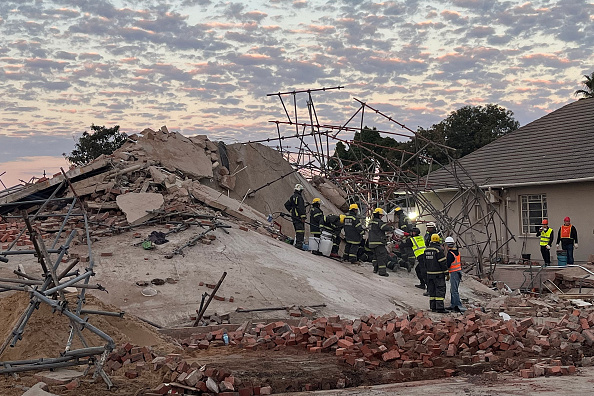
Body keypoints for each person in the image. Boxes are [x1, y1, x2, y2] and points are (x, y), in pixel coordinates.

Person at [424, 234, 448, 313]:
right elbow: (443, 262)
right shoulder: (438, 250)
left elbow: (424, 263)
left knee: (432, 291)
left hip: (429, 274)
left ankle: (433, 307)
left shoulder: (426, 250)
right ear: (438, 240)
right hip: (438, 274)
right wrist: (446, 273)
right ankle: (440, 308)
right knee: (440, 290)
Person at [368, 208, 394, 277]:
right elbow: (384, 228)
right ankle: (382, 272)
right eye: (381, 215)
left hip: (371, 243)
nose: (382, 217)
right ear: (378, 215)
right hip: (378, 243)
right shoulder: (379, 222)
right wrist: (391, 228)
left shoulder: (371, 222)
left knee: (375, 256)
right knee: (382, 257)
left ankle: (375, 269)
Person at [444, 236, 465, 312]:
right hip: (458, 272)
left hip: (454, 273)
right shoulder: (457, 252)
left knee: (454, 290)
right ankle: (453, 304)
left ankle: (457, 305)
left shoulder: (450, 254)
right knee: (453, 289)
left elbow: (448, 264)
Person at [284, 184, 306, 249]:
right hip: (298, 217)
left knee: (297, 230)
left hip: (294, 216)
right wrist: (303, 217)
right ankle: (299, 245)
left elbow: (286, 204)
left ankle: (298, 243)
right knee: (300, 230)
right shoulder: (299, 198)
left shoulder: (292, 197)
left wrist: (292, 211)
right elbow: (301, 208)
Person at [410, 227, 428, 295]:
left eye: (412, 232)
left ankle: (429, 288)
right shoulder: (421, 237)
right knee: (418, 269)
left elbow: (405, 244)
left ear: (414, 233)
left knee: (424, 272)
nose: (411, 233)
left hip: (421, 256)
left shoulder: (412, 239)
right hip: (424, 255)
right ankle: (422, 284)